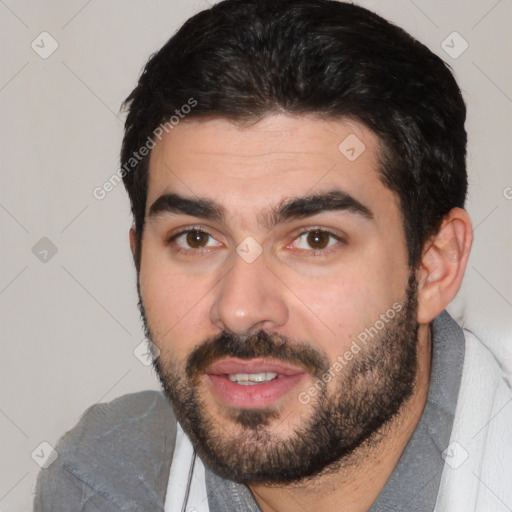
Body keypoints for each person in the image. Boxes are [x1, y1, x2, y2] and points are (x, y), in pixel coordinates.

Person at [34, 0, 512, 510]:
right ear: (139, 257)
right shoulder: (108, 484)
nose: (240, 309)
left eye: (314, 239)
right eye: (196, 238)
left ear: (434, 266)